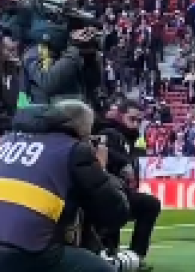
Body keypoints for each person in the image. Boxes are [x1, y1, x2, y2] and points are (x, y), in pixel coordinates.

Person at [0, 100, 129, 272]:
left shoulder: (5, 141)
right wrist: (101, 169)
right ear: (82, 130)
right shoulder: (72, 149)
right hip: (24, 249)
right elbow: (115, 213)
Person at [94, 99, 160, 271]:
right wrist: (125, 163)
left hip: (118, 191)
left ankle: (128, 256)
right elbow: (102, 150)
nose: (136, 124)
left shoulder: (129, 138)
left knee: (146, 205)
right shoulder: (109, 132)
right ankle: (134, 255)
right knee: (149, 205)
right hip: (106, 192)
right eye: (132, 119)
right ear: (120, 116)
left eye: (139, 120)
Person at [20, 0, 102, 107]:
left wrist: (90, 59)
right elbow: (49, 82)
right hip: (45, 119)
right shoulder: (37, 48)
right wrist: (74, 49)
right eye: (64, 17)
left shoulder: (66, 48)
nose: (68, 24)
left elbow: (92, 83)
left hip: (74, 117)